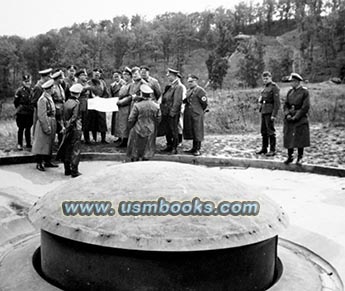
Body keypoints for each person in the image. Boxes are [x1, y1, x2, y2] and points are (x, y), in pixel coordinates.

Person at [127, 84, 162, 161]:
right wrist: (154, 125)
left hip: (137, 128)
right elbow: (159, 118)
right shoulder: (156, 106)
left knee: (135, 148)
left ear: (141, 94)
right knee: (148, 148)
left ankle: (135, 160)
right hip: (151, 128)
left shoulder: (137, 105)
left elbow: (131, 119)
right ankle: (145, 161)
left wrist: (130, 126)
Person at [283, 73, 310, 165]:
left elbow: (305, 106)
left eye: (293, 82)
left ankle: (300, 157)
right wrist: (287, 115)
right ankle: (290, 156)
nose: (291, 83)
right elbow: (285, 104)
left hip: (300, 117)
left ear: (297, 82)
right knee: (288, 136)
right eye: (291, 82)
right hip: (290, 116)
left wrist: (297, 116)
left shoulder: (304, 92)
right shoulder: (290, 92)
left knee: (300, 137)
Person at [57, 83, 83, 178]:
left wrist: (65, 127)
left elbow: (62, 116)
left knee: (66, 148)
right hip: (75, 128)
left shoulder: (66, 103)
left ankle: (67, 169)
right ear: (78, 94)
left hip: (66, 129)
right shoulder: (77, 103)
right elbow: (75, 117)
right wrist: (70, 125)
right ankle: (74, 171)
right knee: (75, 150)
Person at [32, 79, 58, 171]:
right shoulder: (42, 99)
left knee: (49, 143)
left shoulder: (49, 97)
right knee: (42, 144)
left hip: (51, 120)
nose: (54, 88)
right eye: (53, 87)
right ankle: (39, 163)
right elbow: (42, 115)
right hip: (45, 122)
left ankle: (47, 161)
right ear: (49, 89)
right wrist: (46, 127)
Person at [256, 71, 280, 156]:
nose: (265, 80)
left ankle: (272, 150)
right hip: (264, 110)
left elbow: (277, 103)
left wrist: (274, 114)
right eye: (264, 79)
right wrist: (260, 100)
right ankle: (264, 148)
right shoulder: (265, 88)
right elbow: (263, 99)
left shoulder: (274, 87)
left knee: (271, 131)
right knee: (263, 131)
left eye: (267, 78)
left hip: (270, 111)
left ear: (270, 78)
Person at [160, 68, 184, 154]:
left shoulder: (179, 87)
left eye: (169, 75)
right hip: (166, 112)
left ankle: (174, 147)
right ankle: (169, 145)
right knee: (167, 130)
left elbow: (177, 101)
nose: (168, 77)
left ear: (174, 76)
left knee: (174, 130)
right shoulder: (170, 86)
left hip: (172, 112)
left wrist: (173, 112)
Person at [183, 75, 208, 156]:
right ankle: (193, 148)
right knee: (192, 130)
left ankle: (197, 149)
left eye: (191, 81)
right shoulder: (189, 90)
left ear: (196, 81)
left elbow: (204, 103)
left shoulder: (200, 90)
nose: (189, 83)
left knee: (197, 131)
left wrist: (199, 111)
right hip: (189, 113)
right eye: (188, 82)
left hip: (197, 113)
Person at [87, 68, 109, 143]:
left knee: (102, 121)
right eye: (95, 74)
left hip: (101, 104)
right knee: (93, 121)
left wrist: (102, 99)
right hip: (92, 105)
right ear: (92, 75)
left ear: (100, 75)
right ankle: (94, 138)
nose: (97, 75)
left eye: (98, 74)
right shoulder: (89, 83)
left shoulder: (103, 82)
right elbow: (87, 93)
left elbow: (106, 93)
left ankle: (103, 139)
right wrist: (92, 97)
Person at [14, 74, 34, 150]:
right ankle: (19, 144)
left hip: (30, 113)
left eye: (29, 81)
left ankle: (28, 143)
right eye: (26, 81)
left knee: (28, 128)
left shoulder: (32, 90)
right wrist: (19, 109)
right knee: (21, 129)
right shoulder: (19, 91)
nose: (27, 83)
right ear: (23, 82)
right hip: (21, 113)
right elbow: (16, 102)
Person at [115, 67, 134, 147]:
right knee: (121, 123)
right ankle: (122, 138)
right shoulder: (124, 84)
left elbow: (130, 96)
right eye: (123, 75)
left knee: (126, 123)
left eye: (126, 75)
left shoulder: (131, 84)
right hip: (121, 106)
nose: (124, 76)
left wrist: (121, 102)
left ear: (130, 76)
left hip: (126, 106)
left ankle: (126, 140)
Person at [31, 68, 52, 135]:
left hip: (44, 109)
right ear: (45, 77)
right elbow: (34, 101)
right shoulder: (38, 87)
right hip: (39, 109)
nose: (49, 79)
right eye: (49, 77)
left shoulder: (45, 85)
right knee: (38, 126)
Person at [76, 69, 92, 144]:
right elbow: (77, 92)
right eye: (83, 75)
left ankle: (87, 139)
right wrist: (85, 89)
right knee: (79, 122)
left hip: (87, 105)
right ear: (79, 76)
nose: (86, 77)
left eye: (86, 75)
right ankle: (78, 138)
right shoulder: (76, 84)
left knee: (87, 122)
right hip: (79, 105)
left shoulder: (87, 84)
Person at [51, 70, 66, 145]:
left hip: (61, 108)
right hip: (56, 109)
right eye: (61, 78)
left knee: (61, 126)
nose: (63, 80)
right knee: (57, 126)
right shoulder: (53, 88)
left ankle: (61, 142)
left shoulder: (60, 86)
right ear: (58, 79)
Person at [110, 70, 126, 139]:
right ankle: (118, 137)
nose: (116, 78)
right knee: (115, 121)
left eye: (117, 76)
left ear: (120, 76)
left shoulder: (124, 84)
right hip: (115, 104)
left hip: (123, 103)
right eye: (114, 76)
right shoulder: (112, 85)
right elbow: (111, 95)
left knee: (122, 121)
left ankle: (123, 137)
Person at [177, 72, 187, 145]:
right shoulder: (173, 86)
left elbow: (183, 99)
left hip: (180, 108)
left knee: (179, 124)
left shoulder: (182, 87)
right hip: (173, 108)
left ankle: (180, 141)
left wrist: (181, 109)